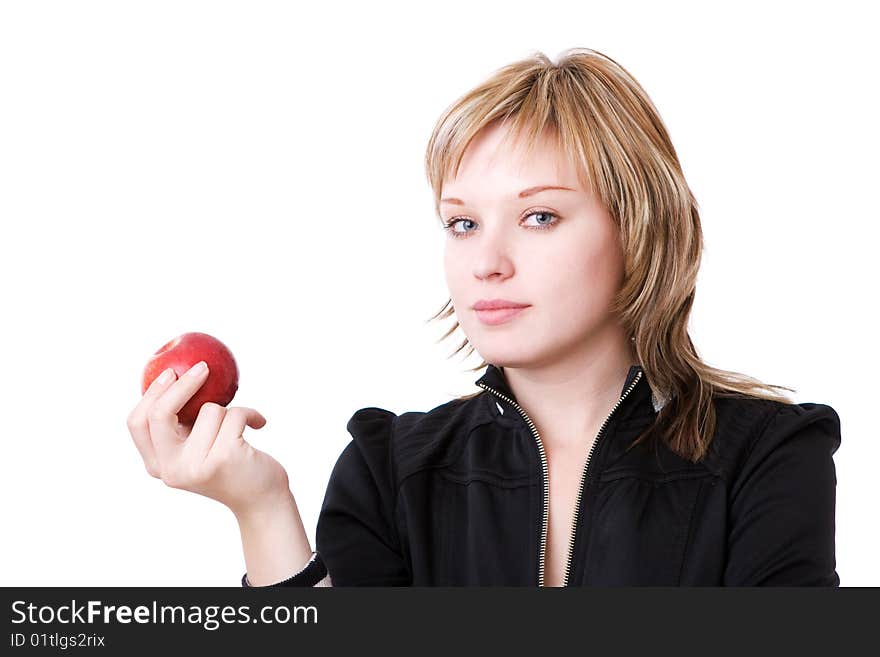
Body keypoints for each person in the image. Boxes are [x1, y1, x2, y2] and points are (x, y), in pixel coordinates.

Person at [126, 47, 842, 587]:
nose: (487, 262)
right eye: (462, 224)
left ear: (638, 229)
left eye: (539, 216)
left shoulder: (770, 456)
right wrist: (261, 507)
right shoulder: (387, 469)